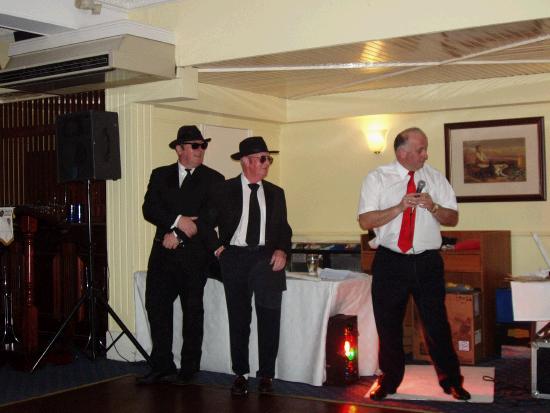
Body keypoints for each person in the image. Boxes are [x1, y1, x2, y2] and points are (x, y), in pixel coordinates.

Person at [357, 127, 471, 401]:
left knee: (436, 324)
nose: (425, 154)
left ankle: (452, 381)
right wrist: (399, 207)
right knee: (388, 324)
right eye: (420, 150)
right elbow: (365, 221)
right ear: (402, 152)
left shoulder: (434, 177)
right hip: (390, 261)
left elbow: (452, 218)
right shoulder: (378, 178)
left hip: (427, 261)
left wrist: (432, 207)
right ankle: (389, 380)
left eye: (425, 149)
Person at [138, 125, 224, 384]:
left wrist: (177, 235)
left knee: (192, 311)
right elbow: (149, 208)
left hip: (194, 256)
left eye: (203, 145)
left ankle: (189, 368)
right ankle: (162, 364)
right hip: (163, 254)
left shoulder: (214, 178)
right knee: (157, 308)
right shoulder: (160, 175)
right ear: (179, 149)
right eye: (195, 145)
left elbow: (210, 215)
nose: (201, 150)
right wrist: (177, 220)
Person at [208, 136, 292, 397]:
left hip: (266, 260)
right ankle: (240, 374)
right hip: (235, 259)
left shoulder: (276, 193)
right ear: (245, 162)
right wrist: (217, 246)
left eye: (269, 158)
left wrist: (282, 250)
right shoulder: (224, 189)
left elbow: (284, 230)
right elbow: (204, 222)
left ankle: (266, 374)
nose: (267, 163)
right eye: (262, 158)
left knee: (269, 318)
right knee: (239, 319)